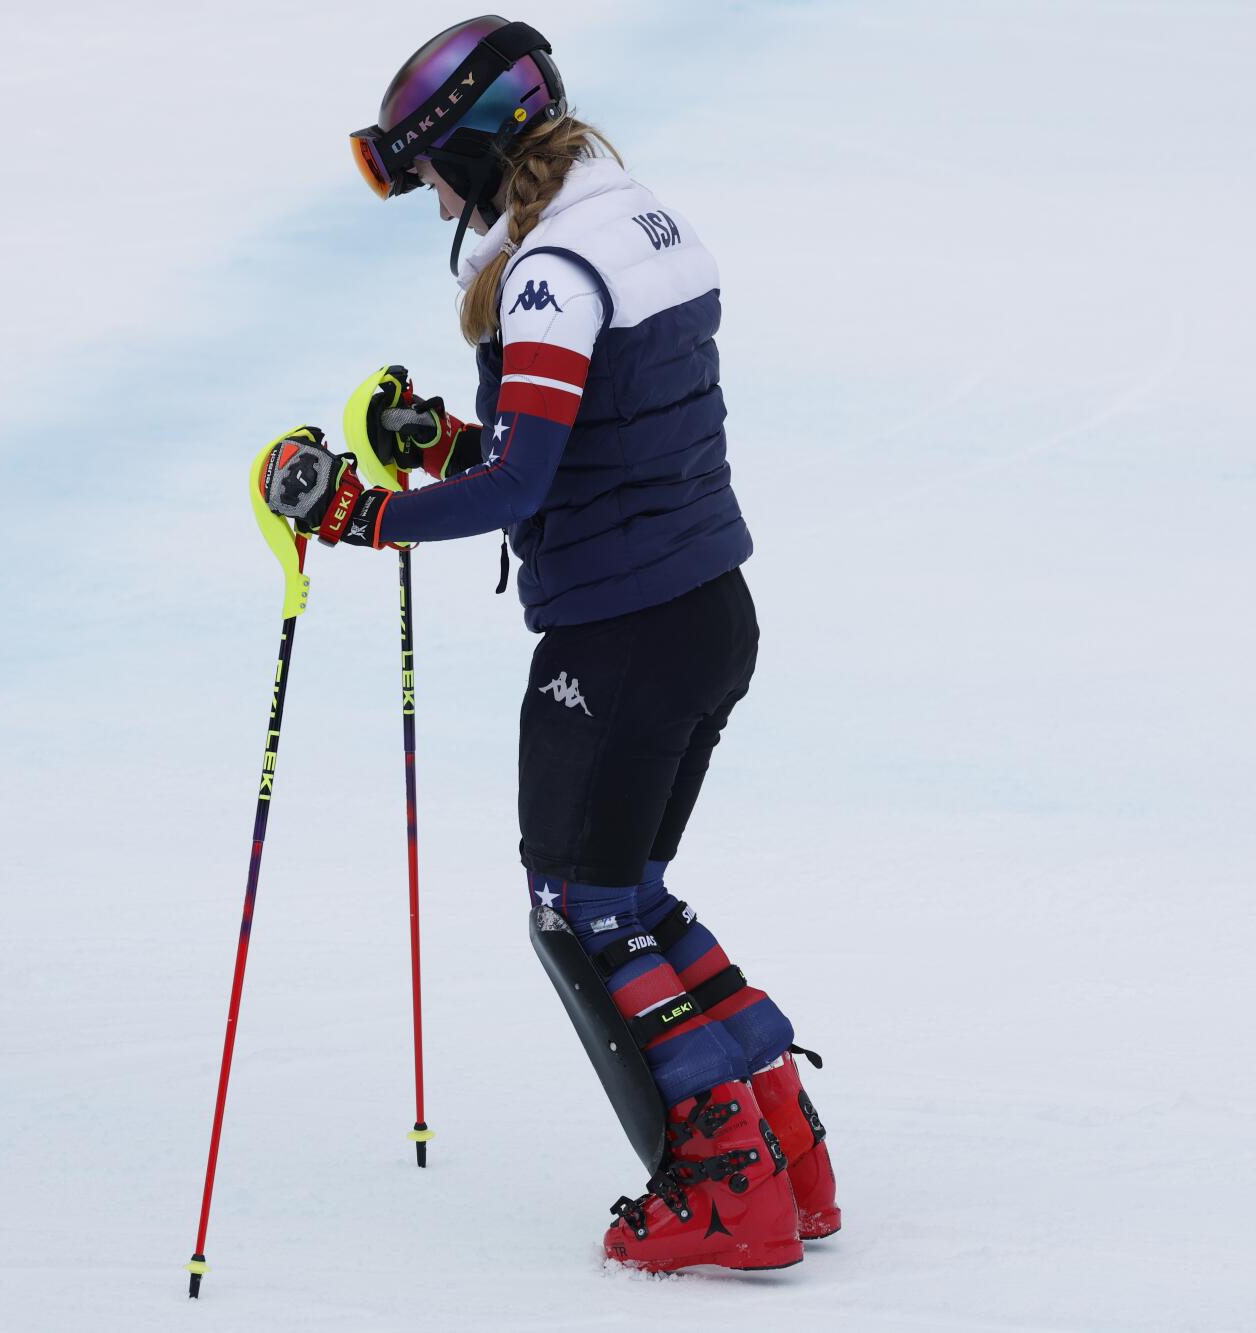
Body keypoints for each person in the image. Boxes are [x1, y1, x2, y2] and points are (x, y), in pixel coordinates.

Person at [259, 15, 839, 1273]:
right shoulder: (636, 221)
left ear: (469, 149)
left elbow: (525, 491)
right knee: (630, 900)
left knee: (579, 911)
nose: (430, 199)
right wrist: (436, 442)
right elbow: (579, 453)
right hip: (704, 614)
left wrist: (362, 514)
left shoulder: (546, 272)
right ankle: (785, 1148)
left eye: (425, 173)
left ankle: (726, 1193)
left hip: (618, 637)